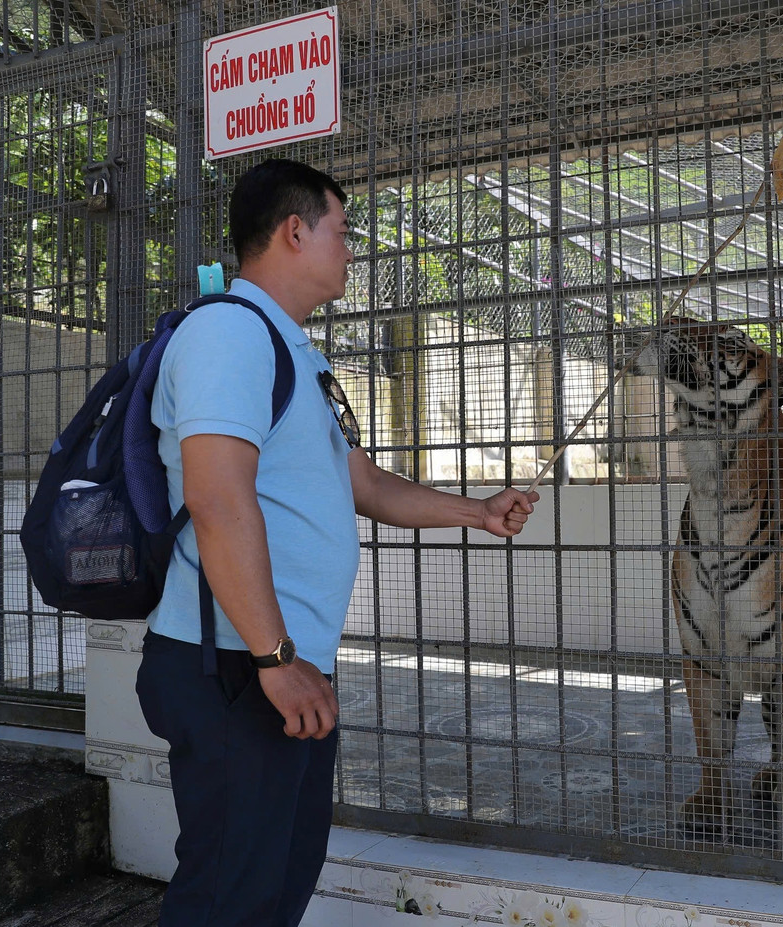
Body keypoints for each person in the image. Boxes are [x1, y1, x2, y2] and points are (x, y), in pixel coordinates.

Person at [135, 157, 540, 927]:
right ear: (294, 231)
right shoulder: (227, 333)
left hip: (275, 660)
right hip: (234, 661)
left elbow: (368, 485)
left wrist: (477, 512)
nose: (352, 249)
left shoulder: (297, 353)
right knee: (229, 896)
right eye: (343, 231)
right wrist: (275, 659)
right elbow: (218, 501)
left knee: (277, 881)